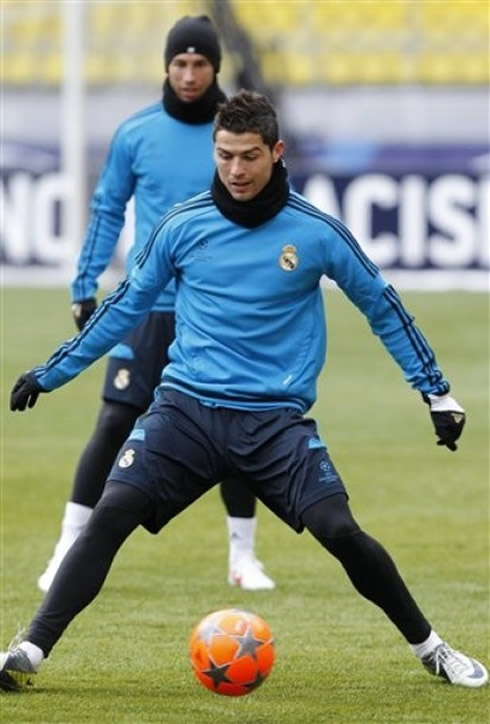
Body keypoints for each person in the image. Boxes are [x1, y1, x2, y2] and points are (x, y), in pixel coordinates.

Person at [1, 90, 487, 692]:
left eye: (249, 156)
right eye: (225, 155)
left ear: (276, 152)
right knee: (111, 513)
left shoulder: (315, 232)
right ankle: (27, 651)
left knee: (340, 530)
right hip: (186, 412)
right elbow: (125, 305)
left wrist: (435, 393)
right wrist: (51, 373)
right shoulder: (183, 225)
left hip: (274, 423)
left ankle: (433, 649)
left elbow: (382, 306)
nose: (235, 169)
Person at [37, 15, 275, 594]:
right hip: (147, 303)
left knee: (237, 422)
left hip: (218, 306)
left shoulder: (235, 136)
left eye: (200, 63)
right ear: (166, 68)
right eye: (180, 63)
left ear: (216, 66)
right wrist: (83, 285)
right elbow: (107, 208)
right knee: (117, 417)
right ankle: (67, 545)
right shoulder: (137, 133)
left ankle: (243, 557)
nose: (190, 74)